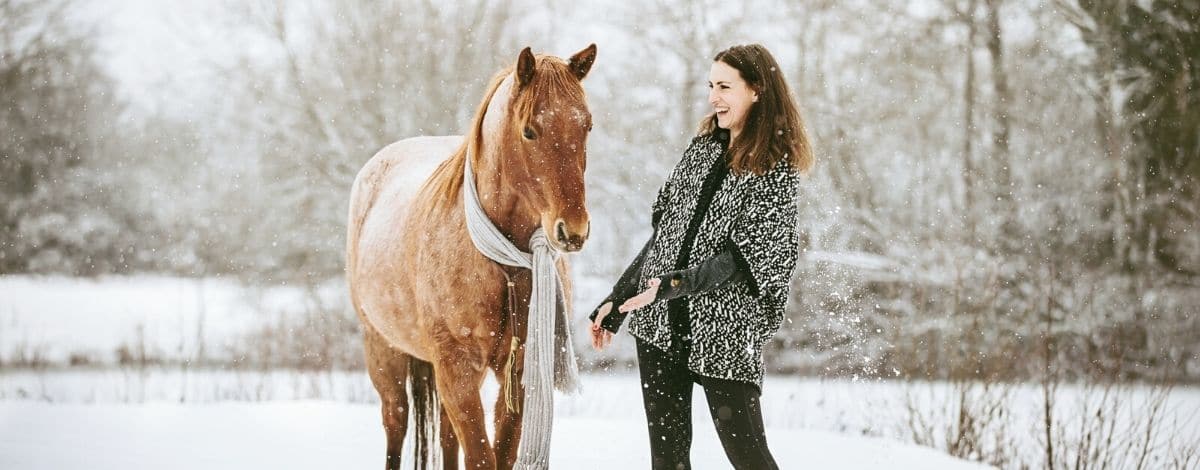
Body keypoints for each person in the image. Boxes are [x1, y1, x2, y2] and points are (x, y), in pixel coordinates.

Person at [588, 43, 813, 470]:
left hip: (724, 335)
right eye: (712, 85)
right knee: (668, 461)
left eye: (725, 86)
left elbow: (742, 258)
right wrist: (618, 301)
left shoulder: (776, 170)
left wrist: (673, 285)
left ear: (757, 90)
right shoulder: (700, 151)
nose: (713, 96)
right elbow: (664, 238)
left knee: (749, 458)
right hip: (658, 329)